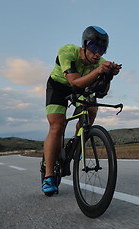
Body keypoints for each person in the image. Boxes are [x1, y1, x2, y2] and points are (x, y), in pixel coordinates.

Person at [42, 26, 121, 194]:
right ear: (84, 45)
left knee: (91, 109)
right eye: (94, 48)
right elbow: (75, 83)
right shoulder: (67, 51)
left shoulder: (99, 63)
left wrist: (109, 76)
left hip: (82, 86)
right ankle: (49, 175)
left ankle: (78, 142)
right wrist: (100, 70)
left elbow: (103, 93)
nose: (97, 54)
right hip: (59, 87)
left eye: (102, 50)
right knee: (57, 125)